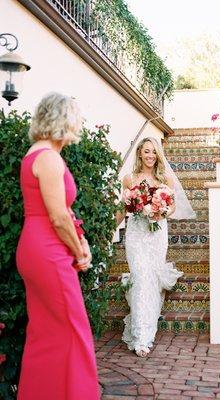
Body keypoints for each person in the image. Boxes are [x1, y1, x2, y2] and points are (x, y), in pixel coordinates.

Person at [16, 92, 100, 399]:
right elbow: (57, 217)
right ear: (65, 120)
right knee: (73, 332)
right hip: (47, 251)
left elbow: (64, 214)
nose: (79, 124)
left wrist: (82, 242)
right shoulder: (48, 158)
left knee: (47, 334)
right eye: (77, 117)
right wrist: (80, 253)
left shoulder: (37, 154)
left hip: (39, 247)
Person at [116, 137, 184, 358]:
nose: (150, 156)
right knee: (140, 276)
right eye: (146, 152)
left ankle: (145, 333)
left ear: (158, 155)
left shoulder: (165, 179)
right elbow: (121, 209)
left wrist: (161, 211)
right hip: (136, 233)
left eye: (154, 152)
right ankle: (139, 334)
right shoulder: (129, 179)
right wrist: (110, 229)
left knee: (150, 279)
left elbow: (172, 207)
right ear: (139, 154)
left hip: (156, 234)